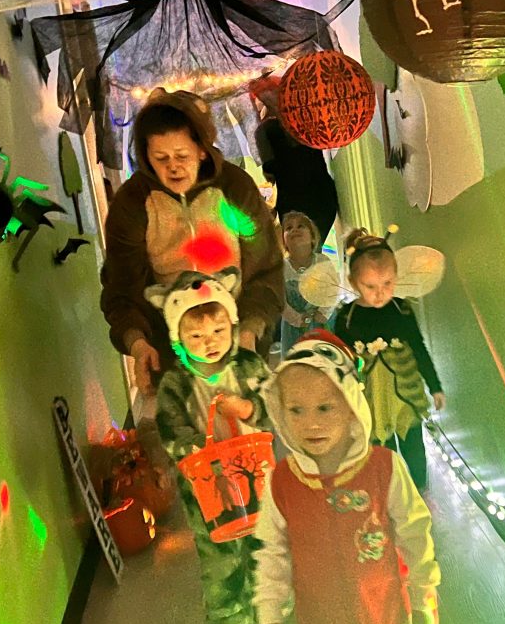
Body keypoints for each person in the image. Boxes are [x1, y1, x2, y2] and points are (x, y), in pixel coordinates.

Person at [254, 331, 440, 624]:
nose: (311, 424)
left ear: (352, 407)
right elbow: (271, 552)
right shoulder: (281, 481)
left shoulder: (384, 468)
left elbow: (414, 533)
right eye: (296, 410)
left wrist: (422, 595)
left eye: (325, 408)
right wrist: (270, 618)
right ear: (280, 411)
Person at [100, 89, 284, 397]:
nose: (173, 167)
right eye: (161, 158)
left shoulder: (235, 187)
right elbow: (121, 288)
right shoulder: (132, 203)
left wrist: (250, 330)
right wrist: (137, 343)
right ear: (146, 156)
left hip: (239, 343)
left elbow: (266, 269)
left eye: (182, 156)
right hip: (172, 356)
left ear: (201, 150)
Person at [143, 268, 272, 624]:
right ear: (178, 339)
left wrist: (249, 408)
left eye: (217, 331)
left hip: (257, 480)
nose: (209, 342)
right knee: (221, 561)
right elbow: (170, 428)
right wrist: (199, 449)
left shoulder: (249, 366)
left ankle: (268, 611)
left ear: (231, 324)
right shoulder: (176, 383)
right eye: (196, 336)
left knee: (264, 547)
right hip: (208, 493)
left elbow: (279, 407)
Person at [333, 229, 445, 491]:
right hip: (370, 396)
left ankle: (419, 489)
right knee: (379, 449)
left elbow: (418, 347)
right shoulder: (347, 317)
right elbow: (340, 361)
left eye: (388, 284)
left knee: (412, 443)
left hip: (404, 395)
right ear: (353, 282)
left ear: (397, 277)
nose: (380, 294)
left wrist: (435, 386)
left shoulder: (401, 310)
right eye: (370, 286)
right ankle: (387, 493)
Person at [250, 76, 340, 243]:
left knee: (302, 246)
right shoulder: (304, 118)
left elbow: (270, 173)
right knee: (314, 241)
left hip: (292, 200)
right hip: (321, 191)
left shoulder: (264, 131)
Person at [280, 211, 336, 354]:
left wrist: (323, 313)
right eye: (289, 228)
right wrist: (297, 319)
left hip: (323, 321)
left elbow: (332, 289)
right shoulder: (281, 267)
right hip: (293, 326)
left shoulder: (322, 261)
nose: (294, 230)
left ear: (312, 237)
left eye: (301, 226)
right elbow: (280, 300)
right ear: (284, 241)